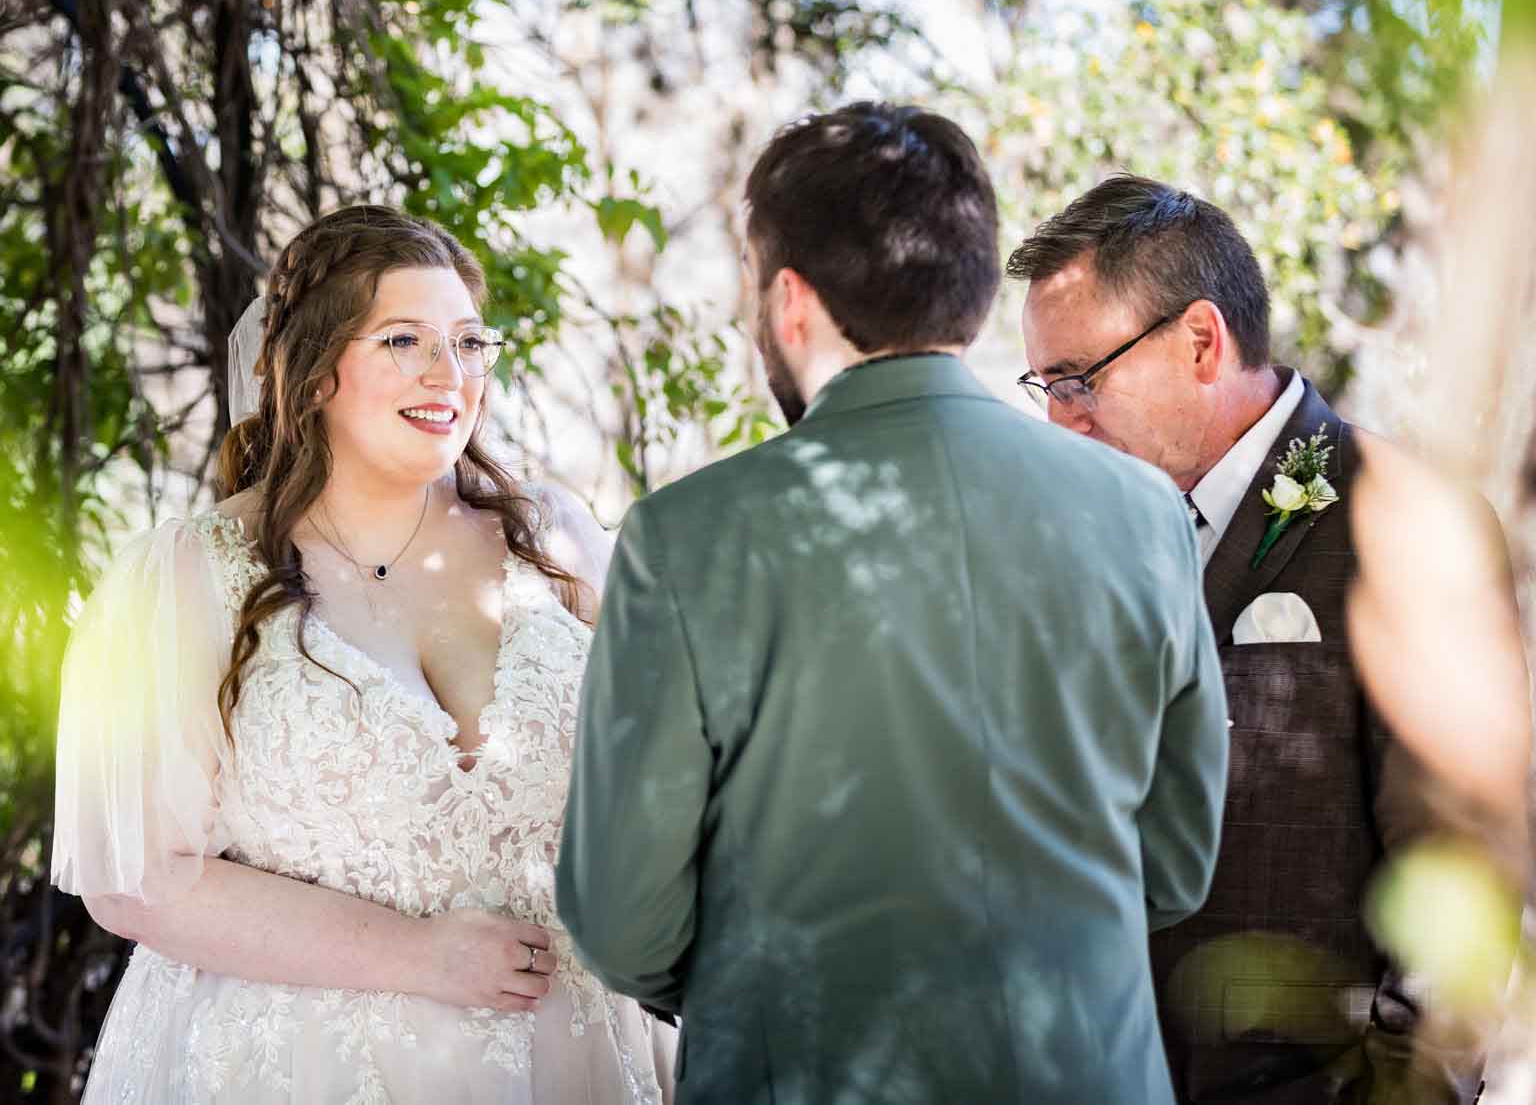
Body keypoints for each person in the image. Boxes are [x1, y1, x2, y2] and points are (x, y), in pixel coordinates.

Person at [557, 103, 1229, 1103]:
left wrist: (749, 994)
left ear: (787, 299)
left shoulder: (686, 536)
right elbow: (1172, 866)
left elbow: (621, 917)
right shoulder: (1144, 513)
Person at [51, 204, 674, 1103]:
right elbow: (136, 884)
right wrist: (418, 956)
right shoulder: (185, 580)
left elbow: (671, 772)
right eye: (404, 341)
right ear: (312, 376)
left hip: (571, 1056)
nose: (448, 373)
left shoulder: (557, 541)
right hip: (302, 1066)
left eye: (467, 341)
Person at [1009, 175, 1527, 1104]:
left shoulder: (1406, 520)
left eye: (1079, 379)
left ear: (1202, 341)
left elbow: (1464, 877)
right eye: (1043, 386)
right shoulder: (1081, 534)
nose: (1061, 417)